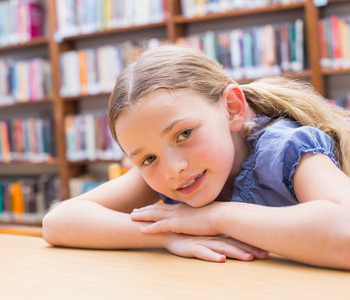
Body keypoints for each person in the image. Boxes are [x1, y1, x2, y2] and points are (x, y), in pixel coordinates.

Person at [43, 45, 350, 269]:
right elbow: (58, 222)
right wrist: (167, 236)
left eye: (184, 134)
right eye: (147, 158)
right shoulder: (164, 169)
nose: (174, 170)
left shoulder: (285, 148)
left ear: (231, 109)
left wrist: (212, 217)